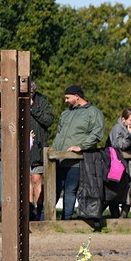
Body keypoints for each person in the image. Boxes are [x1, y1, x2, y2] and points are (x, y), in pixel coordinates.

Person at [51, 84, 105, 220]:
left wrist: (81, 146)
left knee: (70, 190)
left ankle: (66, 220)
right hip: (59, 159)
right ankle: (45, 219)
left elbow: (97, 134)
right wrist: (53, 150)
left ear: (77, 96)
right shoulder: (66, 114)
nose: (66, 101)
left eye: (67, 98)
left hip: (76, 160)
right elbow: (59, 134)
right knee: (53, 190)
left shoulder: (93, 112)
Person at [107, 109, 131, 218]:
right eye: (130, 120)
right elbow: (119, 145)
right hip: (117, 162)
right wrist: (130, 135)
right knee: (116, 187)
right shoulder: (116, 128)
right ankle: (114, 215)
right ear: (123, 120)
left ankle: (124, 216)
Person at [28, 78, 56, 221]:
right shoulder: (15, 98)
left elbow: (49, 121)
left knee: (37, 178)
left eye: (32, 91)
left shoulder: (42, 101)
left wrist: (33, 108)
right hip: (23, 146)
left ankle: (39, 211)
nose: (30, 93)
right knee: (26, 180)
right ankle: (28, 210)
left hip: (38, 147)